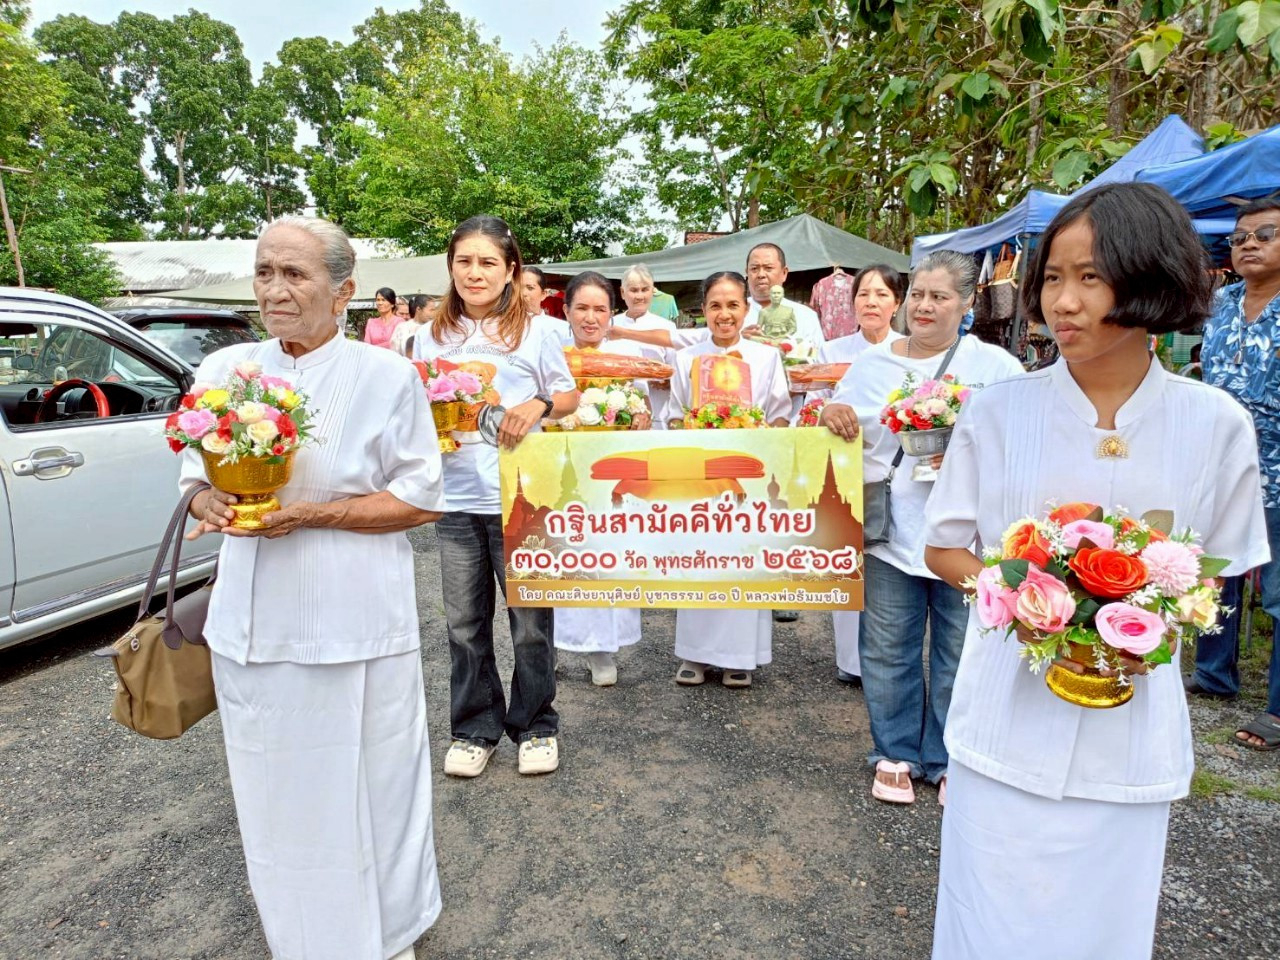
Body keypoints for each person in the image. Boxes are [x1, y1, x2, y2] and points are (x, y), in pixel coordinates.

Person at [922, 183, 1268, 960]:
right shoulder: (998, 412)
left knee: (1100, 929)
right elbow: (944, 547)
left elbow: (1220, 577)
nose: (1064, 302)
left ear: (1150, 280)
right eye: (1052, 278)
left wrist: (1141, 608)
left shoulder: (1215, 425)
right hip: (1004, 717)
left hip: (1130, 734)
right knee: (988, 918)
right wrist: (1026, 601)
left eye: (1090, 277)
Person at [181, 216, 447, 960]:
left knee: (376, 788)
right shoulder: (225, 371)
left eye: (295, 274)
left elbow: (422, 498)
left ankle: (390, 935)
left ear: (344, 291)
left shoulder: (388, 376)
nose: (275, 289)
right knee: (280, 800)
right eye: (266, 272)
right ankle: (307, 942)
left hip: (360, 627)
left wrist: (310, 515)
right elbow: (194, 478)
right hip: (256, 632)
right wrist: (210, 502)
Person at [821, 250, 1023, 805]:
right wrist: (826, 414)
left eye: (940, 297)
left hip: (968, 541)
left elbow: (1025, 442)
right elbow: (839, 423)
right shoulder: (874, 366)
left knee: (961, 650)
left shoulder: (997, 370)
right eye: (918, 296)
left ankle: (949, 755)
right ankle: (894, 754)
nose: (925, 306)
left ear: (967, 304)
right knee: (888, 648)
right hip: (893, 533)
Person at [413, 216, 578, 778]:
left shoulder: (536, 330)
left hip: (522, 497)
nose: (475, 273)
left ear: (511, 269)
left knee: (530, 621)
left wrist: (540, 405)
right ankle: (475, 727)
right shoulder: (429, 334)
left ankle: (535, 725)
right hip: (454, 498)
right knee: (463, 624)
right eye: (464, 261)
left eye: (488, 262)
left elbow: (569, 394)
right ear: (450, 266)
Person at [666, 271, 792, 688]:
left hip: (749, 477)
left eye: (733, 305)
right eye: (715, 306)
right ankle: (695, 655)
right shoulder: (685, 359)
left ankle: (741, 656)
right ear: (703, 311)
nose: (724, 314)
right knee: (700, 557)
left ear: (746, 308)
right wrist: (689, 429)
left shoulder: (766, 357)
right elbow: (672, 412)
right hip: (700, 478)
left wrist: (761, 431)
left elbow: (780, 411)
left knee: (743, 559)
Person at [1190, 198, 1280, 750]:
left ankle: (1278, 709)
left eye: (1264, 235)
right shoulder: (1220, 302)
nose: (1247, 244)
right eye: (1240, 237)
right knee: (1214, 572)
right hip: (1221, 465)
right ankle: (1213, 674)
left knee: (1276, 594)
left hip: (1278, 470)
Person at [806, 264, 906, 686]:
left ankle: (892, 664)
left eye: (881, 295)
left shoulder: (912, 350)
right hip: (847, 470)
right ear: (852, 303)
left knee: (896, 571)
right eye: (864, 294)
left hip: (902, 473)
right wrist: (826, 411)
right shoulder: (831, 351)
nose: (871, 302)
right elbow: (810, 407)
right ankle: (852, 662)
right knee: (852, 563)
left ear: (896, 303)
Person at [553, 271, 652, 686]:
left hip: (612, 477)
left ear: (612, 315)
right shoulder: (551, 355)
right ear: (566, 311)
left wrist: (640, 417)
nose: (591, 318)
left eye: (600, 309)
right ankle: (552, 647)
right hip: (561, 474)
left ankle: (602, 650)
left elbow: (644, 408)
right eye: (582, 308)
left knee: (607, 556)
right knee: (561, 557)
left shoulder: (626, 359)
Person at [614, 264, 677, 428]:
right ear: (623, 293)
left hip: (659, 412)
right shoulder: (610, 326)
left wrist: (668, 381)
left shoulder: (667, 327)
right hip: (617, 413)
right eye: (634, 290)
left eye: (645, 289)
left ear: (653, 291)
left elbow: (677, 370)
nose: (639, 296)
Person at [810, 265, 859, 340]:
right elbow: (814, 309)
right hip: (829, 338)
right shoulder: (822, 284)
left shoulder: (856, 284)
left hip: (850, 337)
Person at [523, 265, 570, 343]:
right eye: (518, 287)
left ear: (543, 294)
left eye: (530, 288)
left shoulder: (558, 329)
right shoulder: (503, 326)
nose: (523, 293)